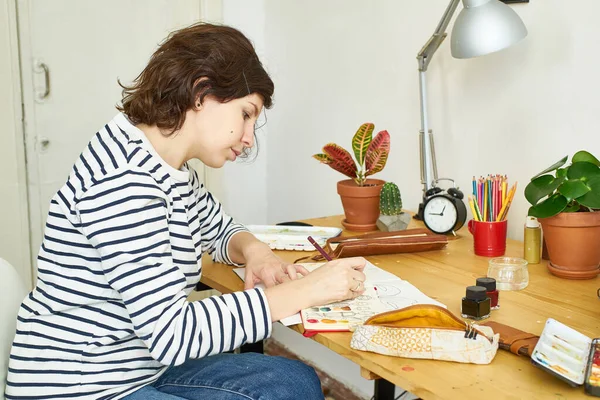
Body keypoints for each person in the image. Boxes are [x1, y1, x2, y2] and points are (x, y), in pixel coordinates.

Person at [6, 22, 367, 400]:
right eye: (245, 114)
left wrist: (257, 253)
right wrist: (307, 291)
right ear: (201, 91)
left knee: (293, 382)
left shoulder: (168, 165)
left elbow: (220, 227)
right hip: (81, 388)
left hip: (136, 367)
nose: (248, 139)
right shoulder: (125, 182)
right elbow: (173, 335)